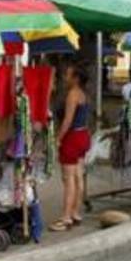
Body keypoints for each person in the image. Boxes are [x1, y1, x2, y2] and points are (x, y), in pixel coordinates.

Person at [52, 65, 90, 232]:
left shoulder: (72, 94)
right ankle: (75, 212)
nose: (64, 77)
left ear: (75, 78)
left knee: (68, 179)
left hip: (72, 137)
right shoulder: (83, 94)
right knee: (78, 176)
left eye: (68, 74)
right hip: (83, 135)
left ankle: (66, 217)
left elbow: (67, 120)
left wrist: (58, 138)